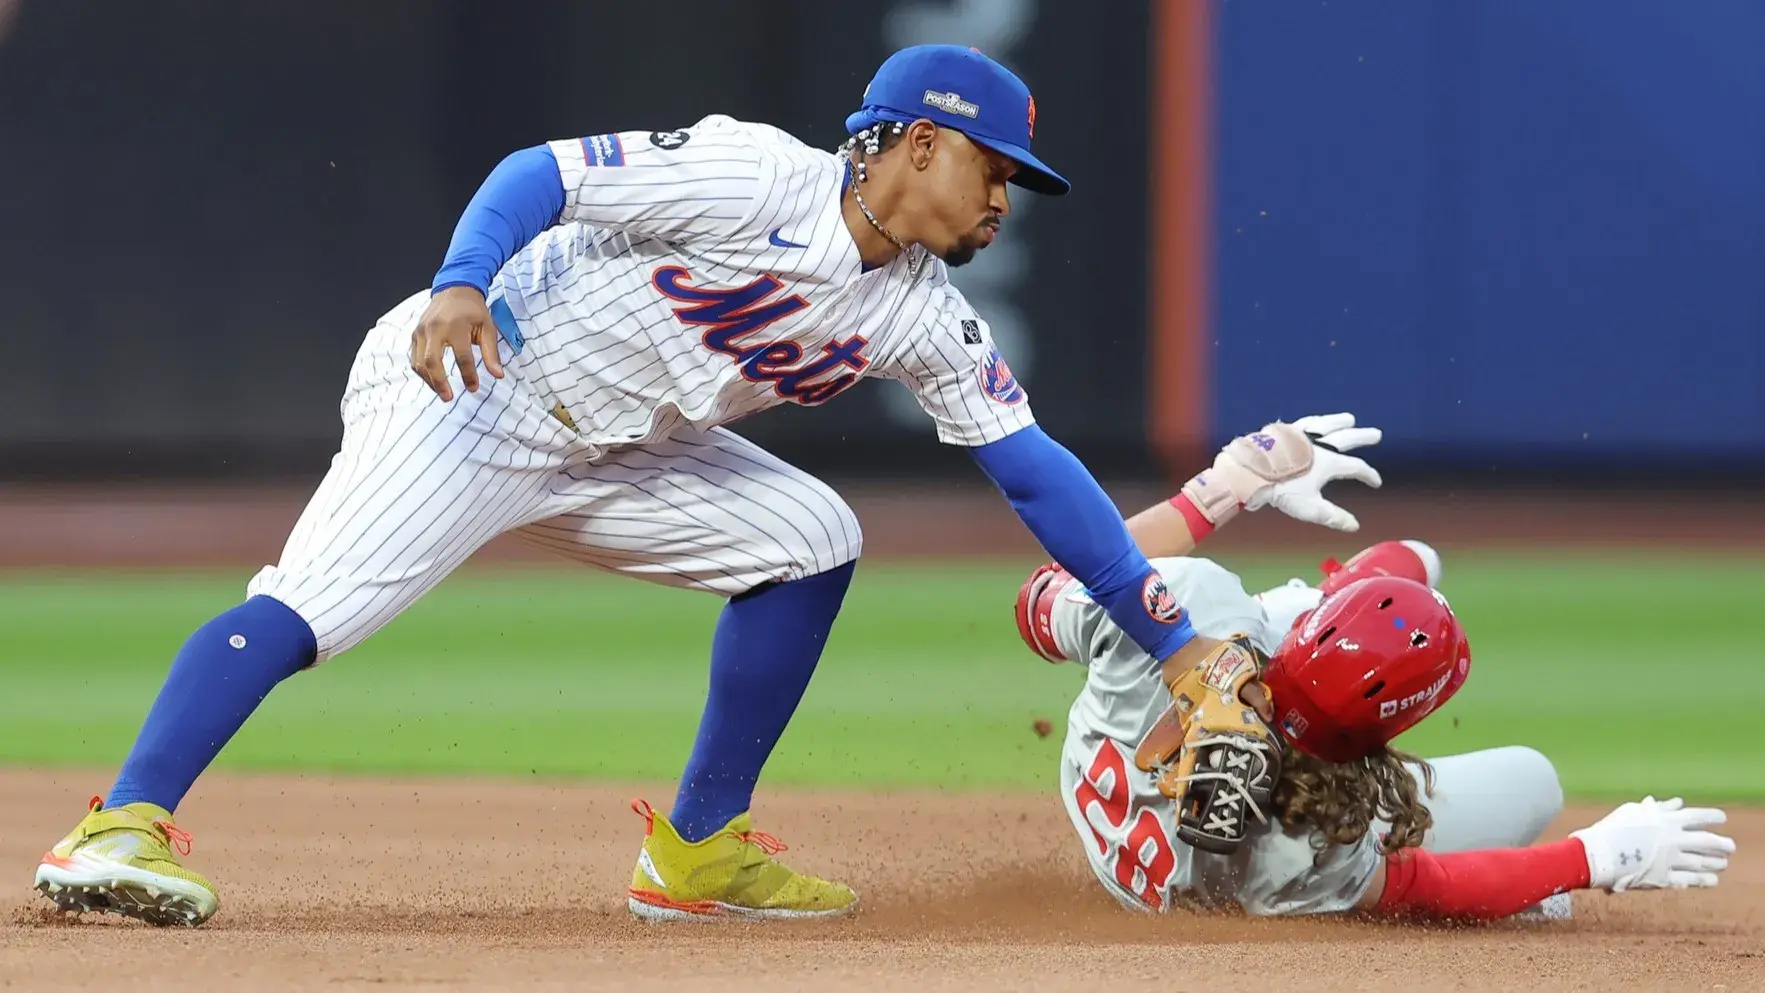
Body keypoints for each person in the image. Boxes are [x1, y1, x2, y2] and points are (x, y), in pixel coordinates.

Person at [30, 46, 1379, 928]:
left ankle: (696, 848)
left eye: (1016, 185)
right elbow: (536, 176)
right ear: (910, 143)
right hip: (477, 385)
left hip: (625, 447)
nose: (1003, 203)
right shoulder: (754, 171)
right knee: (317, 604)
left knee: (809, 534)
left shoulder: (923, 316)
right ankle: (118, 824)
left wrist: (1173, 636)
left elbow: (1036, 477)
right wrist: (458, 281)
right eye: (992, 169)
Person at [1015, 425, 1737, 919]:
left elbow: (1044, 590)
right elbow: (1433, 886)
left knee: (1409, 561)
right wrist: (1594, 855)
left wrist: (1225, 486)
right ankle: (1332, 597)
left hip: (1123, 838)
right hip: (1243, 858)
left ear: (1302, 637)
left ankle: (1326, 597)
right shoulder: (1326, 840)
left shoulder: (1190, 601)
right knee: (1532, 777)